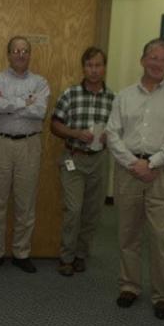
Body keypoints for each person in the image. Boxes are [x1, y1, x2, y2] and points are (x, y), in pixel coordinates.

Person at [106, 38, 164, 319]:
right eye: (153, 57)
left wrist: (151, 163)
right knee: (127, 234)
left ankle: (163, 295)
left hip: (162, 172)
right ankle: (129, 285)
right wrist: (134, 163)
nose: (158, 63)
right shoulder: (125, 96)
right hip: (128, 170)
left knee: (160, 237)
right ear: (143, 60)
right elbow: (112, 134)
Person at [0, 36, 50, 274]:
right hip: (0, 143)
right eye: (16, 50)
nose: (21, 54)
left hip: (28, 145)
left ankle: (22, 253)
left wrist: (9, 103)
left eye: (25, 50)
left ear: (29, 55)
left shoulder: (40, 82)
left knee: (25, 202)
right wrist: (25, 101)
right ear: (9, 54)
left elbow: (40, 112)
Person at [50, 46, 115, 277]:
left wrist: (110, 136)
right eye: (89, 65)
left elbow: (120, 130)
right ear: (83, 68)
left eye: (98, 65)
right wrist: (76, 133)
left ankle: (81, 255)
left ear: (104, 68)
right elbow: (54, 124)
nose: (94, 70)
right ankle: (66, 256)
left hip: (99, 159)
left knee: (92, 211)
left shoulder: (113, 99)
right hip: (74, 158)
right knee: (73, 209)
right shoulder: (70, 94)